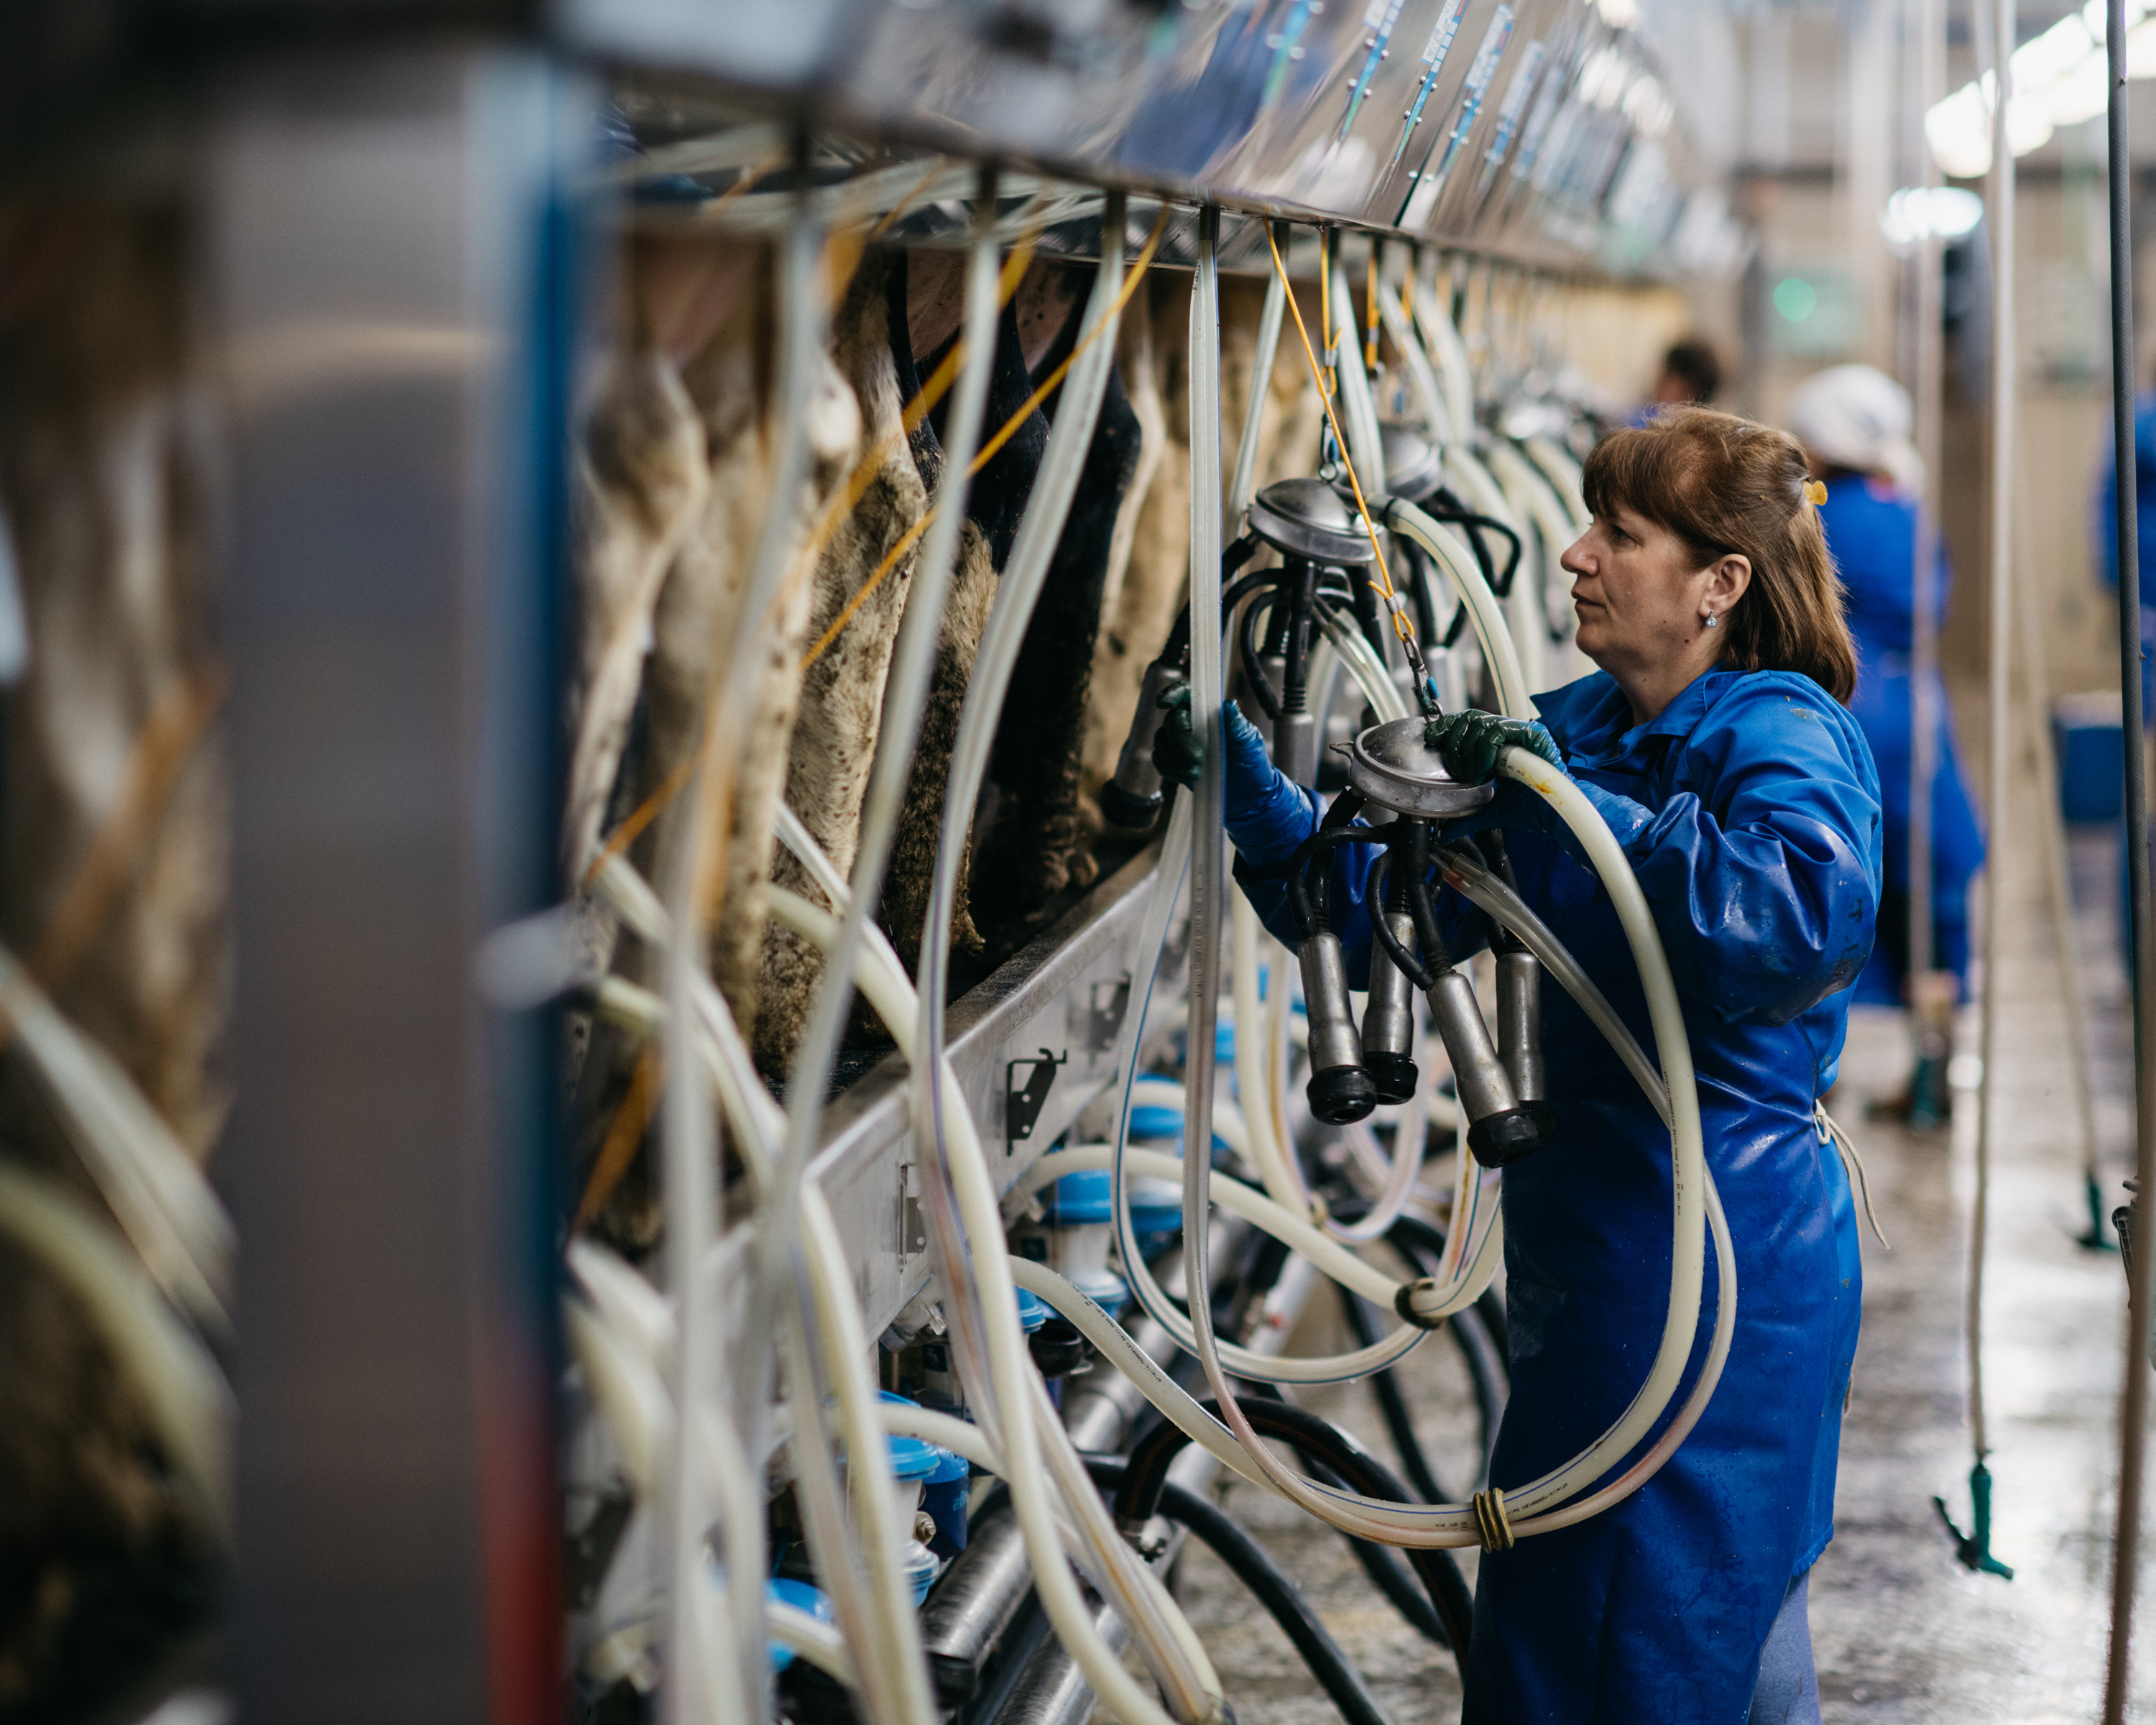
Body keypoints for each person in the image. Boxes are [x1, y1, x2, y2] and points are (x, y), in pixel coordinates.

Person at [1157, 408, 1879, 1723]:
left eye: (1621, 533)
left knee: (1637, 1642)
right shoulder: (1587, 723)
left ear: (1720, 582)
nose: (1574, 554)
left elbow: (1796, 924)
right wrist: (1258, 801)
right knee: (1645, 1630)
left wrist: (1586, 812)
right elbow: (1407, 908)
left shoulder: (1777, 729)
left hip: (1713, 1243)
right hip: (1596, 1249)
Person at [1784, 363, 1983, 1012]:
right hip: (1913, 698)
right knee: (1926, 884)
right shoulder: (1903, 508)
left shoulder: (1818, 520)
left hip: (1844, 703)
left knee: (1828, 874)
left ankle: (1815, 1062)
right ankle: (1932, 1063)